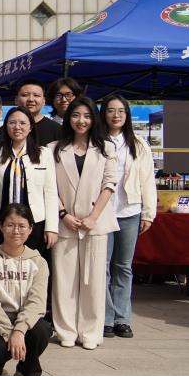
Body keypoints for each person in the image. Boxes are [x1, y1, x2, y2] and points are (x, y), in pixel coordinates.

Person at [50, 96, 117, 350]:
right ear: (69, 118)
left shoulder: (106, 148)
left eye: (87, 116)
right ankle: (66, 330)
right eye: (76, 115)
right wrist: (63, 214)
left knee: (94, 280)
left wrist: (93, 217)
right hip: (65, 222)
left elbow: (109, 184)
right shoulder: (54, 149)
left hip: (95, 222)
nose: (82, 121)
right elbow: (50, 187)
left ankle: (91, 331)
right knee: (64, 279)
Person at [0, 203, 53, 376]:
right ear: (1, 226)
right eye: (10, 225)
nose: (16, 231)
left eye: (22, 226)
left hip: (22, 317)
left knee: (41, 331)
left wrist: (19, 330)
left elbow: (37, 302)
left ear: (30, 229)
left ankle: (27, 370)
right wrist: (9, 334)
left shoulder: (38, 262)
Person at [101, 94, 156, 339]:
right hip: (102, 212)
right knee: (102, 268)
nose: (116, 115)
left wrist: (148, 213)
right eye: (111, 110)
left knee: (123, 267)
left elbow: (147, 180)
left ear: (127, 115)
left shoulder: (139, 144)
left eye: (121, 111)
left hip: (129, 211)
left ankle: (122, 318)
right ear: (103, 114)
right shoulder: (97, 140)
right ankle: (106, 318)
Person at [0, 106, 59, 259]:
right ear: (5, 126)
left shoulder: (44, 154)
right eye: (12, 122)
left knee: (33, 265)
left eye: (22, 123)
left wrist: (51, 227)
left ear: (30, 127)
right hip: (3, 223)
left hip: (35, 223)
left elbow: (51, 192)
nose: (17, 127)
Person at [16, 78, 60, 146]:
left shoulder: (57, 130)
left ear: (44, 101)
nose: (31, 99)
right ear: (16, 100)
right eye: (25, 95)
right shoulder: (7, 129)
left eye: (36, 95)